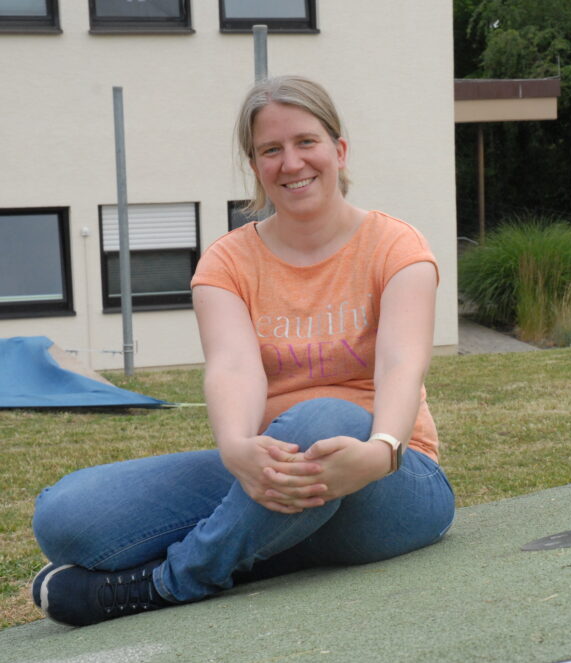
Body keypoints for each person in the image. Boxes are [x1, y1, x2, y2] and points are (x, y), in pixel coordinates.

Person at [30, 75, 455, 627]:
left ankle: (170, 581)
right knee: (66, 516)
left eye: (306, 142)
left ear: (338, 150)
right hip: (271, 471)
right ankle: (264, 547)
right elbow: (233, 365)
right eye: (270, 150)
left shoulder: (396, 246)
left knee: (323, 419)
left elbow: (402, 360)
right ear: (255, 167)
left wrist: (383, 448)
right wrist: (234, 447)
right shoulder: (226, 262)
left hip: (392, 479)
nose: (291, 162)